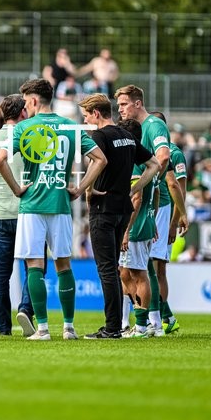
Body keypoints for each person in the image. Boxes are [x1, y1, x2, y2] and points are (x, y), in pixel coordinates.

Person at [0, 79, 107, 340]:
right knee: (64, 265)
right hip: (60, 204)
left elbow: (0, 160)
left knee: (34, 264)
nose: (25, 106)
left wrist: (16, 188)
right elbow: (101, 159)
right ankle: (69, 327)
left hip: (32, 204)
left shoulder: (24, 127)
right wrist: (79, 189)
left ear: (33, 101)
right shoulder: (71, 127)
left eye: (26, 101)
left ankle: (43, 328)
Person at [77, 94, 159, 339]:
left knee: (107, 270)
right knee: (113, 268)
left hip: (104, 208)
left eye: (86, 116)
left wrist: (84, 189)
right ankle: (116, 325)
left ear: (97, 114)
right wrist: (133, 189)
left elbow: (97, 163)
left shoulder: (100, 136)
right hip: (124, 208)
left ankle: (112, 327)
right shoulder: (128, 136)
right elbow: (154, 165)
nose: (86, 121)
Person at [116, 84, 187, 337]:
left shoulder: (154, 126)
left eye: (124, 104)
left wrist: (140, 185)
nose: (120, 109)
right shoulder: (135, 130)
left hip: (142, 204)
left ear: (137, 103)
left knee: (147, 268)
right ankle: (142, 323)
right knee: (131, 269)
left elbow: (164, 157)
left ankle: (153, 323)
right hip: (147, 205)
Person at [0, 94, 36, 336]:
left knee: (0, 273)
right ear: (22, 113)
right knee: (35, 267)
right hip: (29, 211)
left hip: (0, 214)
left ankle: (3, 328)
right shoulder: (31, 137)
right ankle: (25, 310)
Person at [116, 118, 158, 339]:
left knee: (139, 274)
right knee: (125, 273)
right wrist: (154, 217)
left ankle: (142, 326)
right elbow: (157, 192)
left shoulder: (134, 161)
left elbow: (137, 197)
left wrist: (125, 230)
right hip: (145, 223)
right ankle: (130, 323)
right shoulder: (147, 158)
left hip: (136, 227)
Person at [149, 111, 188, 334]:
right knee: (154, 267)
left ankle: (162, 316)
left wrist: (175, 221)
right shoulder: (153, 150)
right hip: (157, 211)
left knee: (157, 267)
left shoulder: (174, 154)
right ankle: (166, 315)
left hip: (165, 214)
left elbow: (179, 190)